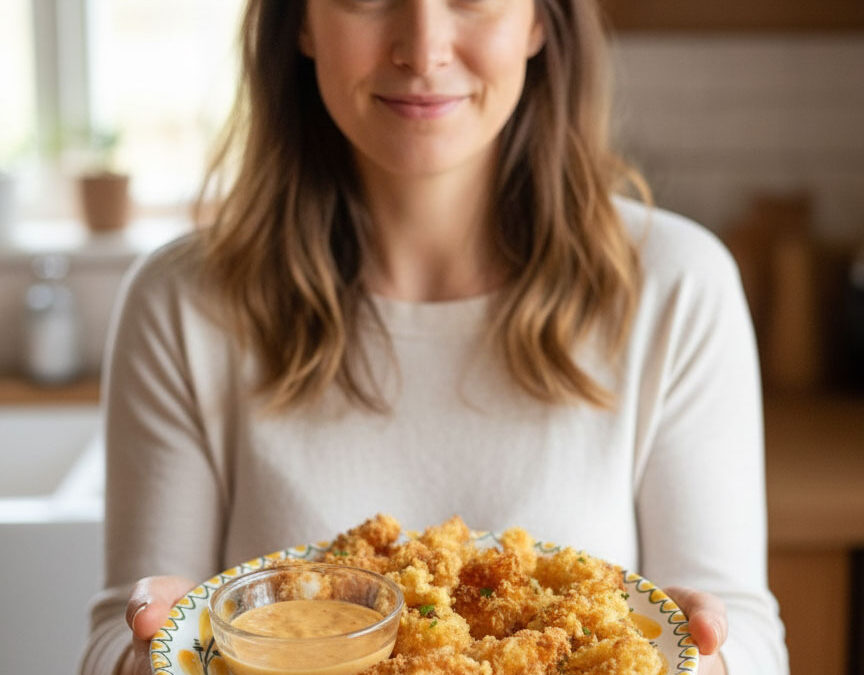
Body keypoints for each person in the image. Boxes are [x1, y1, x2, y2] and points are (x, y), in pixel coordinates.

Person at [80, 1, 788, 674]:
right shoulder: (178, 303)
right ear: (301, 22)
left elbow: (749, 636)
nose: (423, 51)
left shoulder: (679, 287)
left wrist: (711, 658)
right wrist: (138, 654)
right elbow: (122, 631)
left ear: (539, 20)